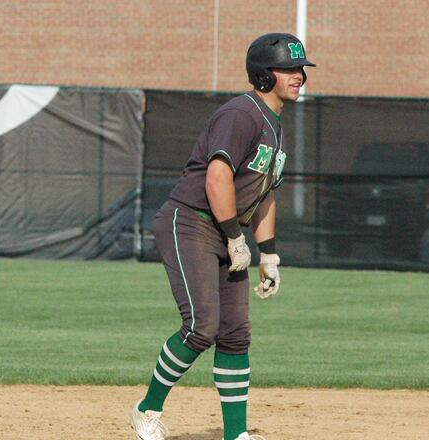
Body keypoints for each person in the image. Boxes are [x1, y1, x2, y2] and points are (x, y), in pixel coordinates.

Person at [129, 33, 315, 440]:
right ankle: (146, 410)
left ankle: (236, 435)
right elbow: (217, 178)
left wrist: (269, 255)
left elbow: (264, 195)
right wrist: (235, 237)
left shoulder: (275, 125)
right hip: (191, 222)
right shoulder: (241, 114)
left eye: (300, 69)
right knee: (201, 326)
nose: (299, 75)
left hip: (225, 229)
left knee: (235, 333)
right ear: (263, 75)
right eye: (288, 69)